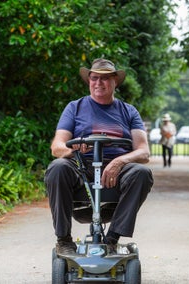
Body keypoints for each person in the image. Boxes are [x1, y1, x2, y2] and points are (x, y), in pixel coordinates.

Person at [44, 58, 153, 255]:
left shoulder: (128, 111)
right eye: (94, 78)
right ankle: (64, 240)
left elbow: (143, 152)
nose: (98, 83)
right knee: (57, 167)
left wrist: (120, 161)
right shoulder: (74, 107)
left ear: (115, 82)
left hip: (117, 172)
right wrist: (73, 149)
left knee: (142, 172)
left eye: (104, 79)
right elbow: (57, 146)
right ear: (89, 81)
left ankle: (112, 239)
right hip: (81, 168)